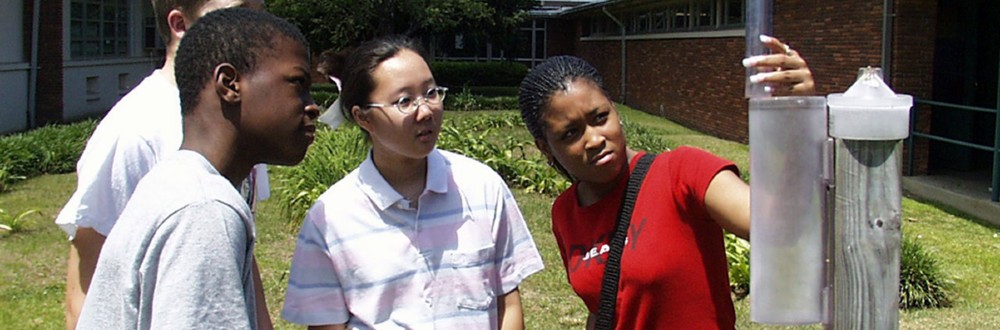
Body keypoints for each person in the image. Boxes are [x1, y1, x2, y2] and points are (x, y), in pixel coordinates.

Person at [516, 35, 814, 329]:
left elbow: (780, 228)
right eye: (570, 133)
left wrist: (798, 118)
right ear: (545, 147)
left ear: (615, 110)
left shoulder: (682, 173)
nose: (594, 139)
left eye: (600, 117)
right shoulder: (566, 212)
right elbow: (604, 307)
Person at [76, 7, 319, 328]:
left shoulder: (175, 182)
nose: (313, 105)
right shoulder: (204, 210)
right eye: (297, 83)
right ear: (230, 84)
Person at [281, 35, 545, 329]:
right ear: (363, 117)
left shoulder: (483, 188)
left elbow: (507, 302)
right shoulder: (330, 217)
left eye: (431, 93)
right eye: (404, 101)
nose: (425, 110)